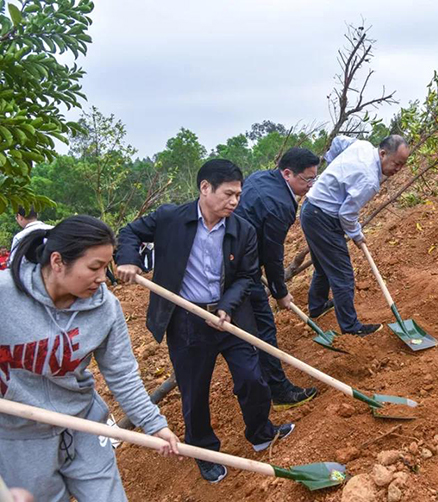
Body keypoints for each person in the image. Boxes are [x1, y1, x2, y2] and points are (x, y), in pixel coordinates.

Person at [116, 159, 294, 484]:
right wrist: (128, 259)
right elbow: (128, 232)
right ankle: (204, 451)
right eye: (228, 194)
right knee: (194, 392)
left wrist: (226, 307)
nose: (235, 201)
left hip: (230, 316)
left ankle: (262, 433)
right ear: (205, 188)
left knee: (252, 377)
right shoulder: (171, 218)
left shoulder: (242, 229)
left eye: (238, 195)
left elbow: (246, 276)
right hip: (186, 320)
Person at [0, 215, 179, 502]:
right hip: (19, 437)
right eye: (94, 267)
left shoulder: (105, 307)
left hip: (83, 424)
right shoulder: (5, 295)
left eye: (105, 267)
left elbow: (122, 373)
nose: (102, 278)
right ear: (58, 262)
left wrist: (153, 423)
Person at [235, 147, 319, 410]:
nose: (310, 185)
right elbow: (273, 254)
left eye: (314, 178)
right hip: (240, 270)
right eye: (307, 179)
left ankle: (256, 383)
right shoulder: (280, 205)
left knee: (249, 332)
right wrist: (279, 291)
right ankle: (278, 391)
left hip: (236, 256)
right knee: (263, 329)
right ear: (287, 173)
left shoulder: (261, 177)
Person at [300, 135, 410, 336]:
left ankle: (317, 306)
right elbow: (347, 214)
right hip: (323, 217)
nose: (398, 169)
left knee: (324, 266)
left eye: (402, 165)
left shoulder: (363, 146)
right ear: (383, 153)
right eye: (396, 163)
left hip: (310, 210)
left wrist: (334, 165)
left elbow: (338, 141)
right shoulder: (369, 179)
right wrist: (357, 235)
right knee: (343, 276)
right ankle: (351, 328)